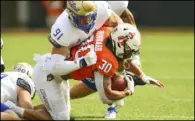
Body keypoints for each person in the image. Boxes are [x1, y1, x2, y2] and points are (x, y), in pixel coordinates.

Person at [30, 1, 124, 120]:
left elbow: (118, 25)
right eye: (81, 19)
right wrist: (81, 62)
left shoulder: (101, 8)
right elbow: (55, 68)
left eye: (89, 18)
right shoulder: (62, 29)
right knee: (61, 117)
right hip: (48, 74)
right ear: (70, 14)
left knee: (62, 114)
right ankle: (18, 113)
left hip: (63, 74)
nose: (86, 22)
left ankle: (20, 110)